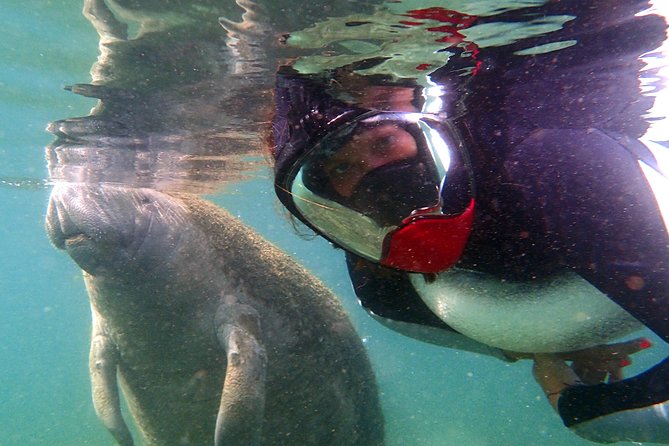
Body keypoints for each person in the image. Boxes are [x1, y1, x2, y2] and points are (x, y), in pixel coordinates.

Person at [269, 0, 669, 443]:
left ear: (419, 127)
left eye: (383, 141)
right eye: (342, 170)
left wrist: (575, 403)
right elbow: (400, 309)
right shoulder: (375, 255)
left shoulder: (552, 167)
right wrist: (549, 351)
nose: (373, 179)